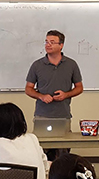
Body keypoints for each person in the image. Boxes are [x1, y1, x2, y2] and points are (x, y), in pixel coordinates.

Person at [25, 30, 83, 159]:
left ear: (61, 45)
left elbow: (79, 88)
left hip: (63, 116)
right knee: (42, 154)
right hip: (42, 116)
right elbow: (28, 88)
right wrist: (41, 96)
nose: (48, 45)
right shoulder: (37, 65)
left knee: (63, 155)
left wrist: (66, 95)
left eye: (52, 42)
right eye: (46, 41)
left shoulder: (71, 64)